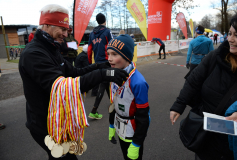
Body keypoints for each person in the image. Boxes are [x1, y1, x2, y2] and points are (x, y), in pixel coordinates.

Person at [19, 4, 128, 160]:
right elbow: (63, 86)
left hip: (58, 119)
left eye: (67, 30)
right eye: (62, 29)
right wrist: (104, 73)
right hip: (45, 124)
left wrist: (98, 65)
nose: (65, 34)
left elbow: (75, 73)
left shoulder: (52, 48)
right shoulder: (33, 53)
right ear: (47, 25)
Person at [170, 13, 237, 160]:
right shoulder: (215, 56)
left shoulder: (196, 41)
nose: (230, 39)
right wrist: (179, 104)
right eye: (230, 34)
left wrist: (189, 61)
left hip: (232, 143)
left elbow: (189, 51)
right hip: (206, 136)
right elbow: (193, 81)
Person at [108, 34, 150, 160]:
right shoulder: (113, 73)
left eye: (114, 54)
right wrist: (111, 125)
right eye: (108, 54)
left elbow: (144, 117)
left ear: (126, 56)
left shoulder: (138, 82)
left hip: (133, 130)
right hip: (120, 126)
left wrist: (137, 143)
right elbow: (113, 102)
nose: (109, 58)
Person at [87, 13, 113, 119]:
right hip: (107, 62)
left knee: (106, 84)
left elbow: (89, 50)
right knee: (104, 84)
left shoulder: (92, 34)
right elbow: (113, 45)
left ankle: (113, 103)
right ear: (105, 20)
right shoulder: (107, 32)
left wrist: (90, 63)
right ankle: (94, 110)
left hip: (97, 62)